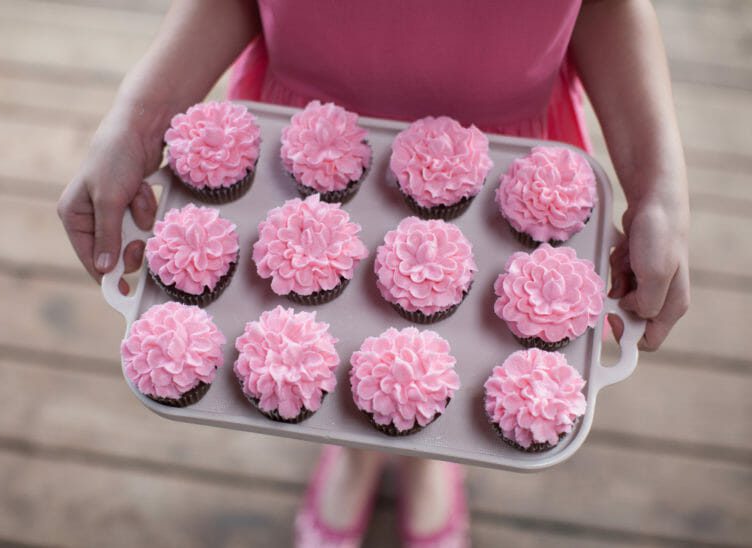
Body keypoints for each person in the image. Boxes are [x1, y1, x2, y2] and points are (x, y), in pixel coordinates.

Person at [57, 1, 690, 546]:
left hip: (501, 148)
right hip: (306, 124)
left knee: (432, 355)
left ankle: (425, 456)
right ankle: (360, 448)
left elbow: (608, 7)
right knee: (340, 347)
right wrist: (139, 120)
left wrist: (658, 185)